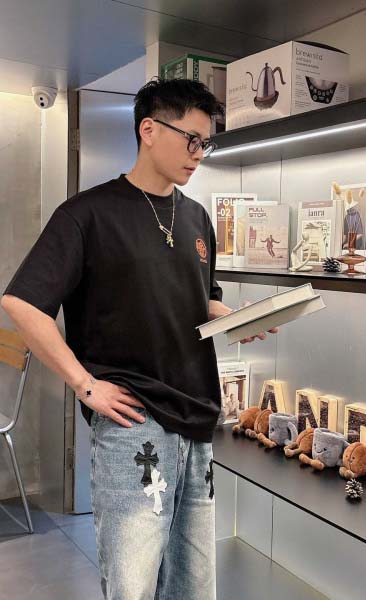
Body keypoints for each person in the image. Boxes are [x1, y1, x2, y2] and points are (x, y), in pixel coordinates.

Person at [1, 79, 277, 600]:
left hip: (198, 419)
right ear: (149, 130)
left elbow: (202, 299)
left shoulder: (196, 217)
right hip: (133, 424)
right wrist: (85, 385)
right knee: (132, 586)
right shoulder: (87, 214)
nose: (199, 154)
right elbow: (22, 302)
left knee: (194, 585)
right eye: (191, 139)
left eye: (206, 142)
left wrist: (238, 318)